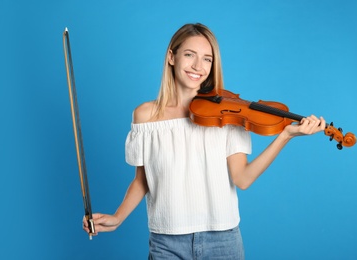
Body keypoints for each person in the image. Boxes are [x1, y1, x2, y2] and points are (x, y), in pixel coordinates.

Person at [83, 23, 326, 259]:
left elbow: (243, 178)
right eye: (190, 55)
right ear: (171, 57)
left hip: (223, 241)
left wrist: (285, 135)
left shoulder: (227, 114)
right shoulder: (146, 116)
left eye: (207, 59)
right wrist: (117, 218)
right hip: (166, 242)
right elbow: (142, 180)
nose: (198, 66)